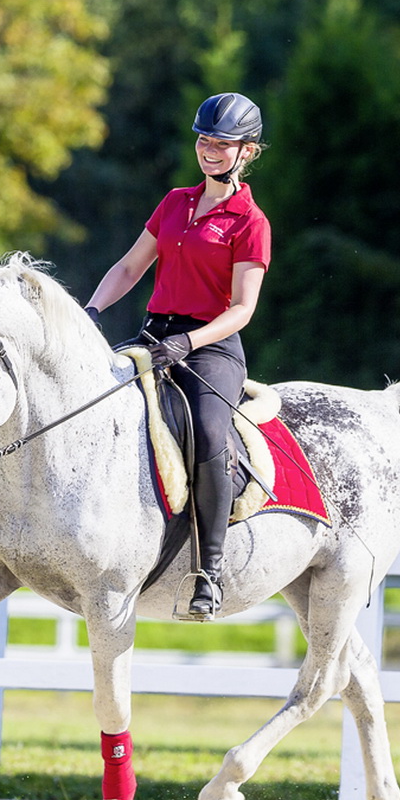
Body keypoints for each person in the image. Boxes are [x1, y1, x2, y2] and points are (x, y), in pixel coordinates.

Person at [83, 92, 271, 621]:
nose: (210, 151)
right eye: (204, 140)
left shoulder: (250, 223)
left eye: (223, 144)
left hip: (210, 347)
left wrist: (190, 342)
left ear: (248, 152)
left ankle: (208, 570)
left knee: (210, 434)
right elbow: (128, 268)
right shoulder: (174, 202)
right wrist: (92, 312)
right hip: (153, 337)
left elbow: (242, 309)